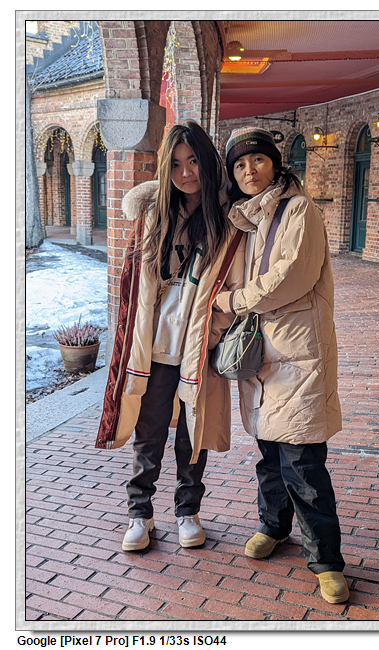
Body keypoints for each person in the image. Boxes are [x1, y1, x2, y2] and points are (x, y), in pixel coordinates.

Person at [214, 127, 349, 604]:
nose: (249, 170)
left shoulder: (298, 210)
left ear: (275, 163)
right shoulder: (246, 219)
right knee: (269, 452)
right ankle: (273, 526)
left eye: (258, 160)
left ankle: (326, 562)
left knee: (304, 463)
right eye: (239, 165)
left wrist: (233, 301)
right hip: (262, 354)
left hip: (298, 354)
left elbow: (290, 277)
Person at [95, 120, 244, 553]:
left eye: (193, 161)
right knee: (150, 433)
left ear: (207, 162)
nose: (186, 173)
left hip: (199, 347)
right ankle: (140, 514)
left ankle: (187, 511)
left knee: (192, 435)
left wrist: (212, 333)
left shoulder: (228, 221)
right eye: (176, 164)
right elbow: (134, 290)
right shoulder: (153, 217)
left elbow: (234, 289)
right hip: (157, 347)